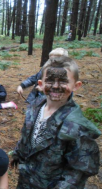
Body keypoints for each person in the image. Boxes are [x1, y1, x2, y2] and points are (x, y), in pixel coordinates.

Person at [11, 56, 101, 189]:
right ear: (40, 84)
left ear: (76, 86)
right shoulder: (35, 106)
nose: (56, 86)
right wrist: (18, 154)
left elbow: (79, 170)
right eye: (50, 81)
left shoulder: (77, 126)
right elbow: (27, 134)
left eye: (63, 81)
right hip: (26, 179)